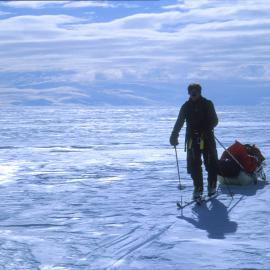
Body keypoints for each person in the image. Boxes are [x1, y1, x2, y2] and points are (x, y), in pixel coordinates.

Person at [170, 83, 219, 199]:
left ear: (199, 92)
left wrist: (206, 127)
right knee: (194, 165)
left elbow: (215, 120)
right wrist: (174, 135)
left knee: (211, 163)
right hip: (192, 139)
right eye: (191, 92)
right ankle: (198, 188)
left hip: (207, 138)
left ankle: (212, 186)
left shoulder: (208, 104)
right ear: (188, 93)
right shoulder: (186, 106)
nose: (193, 94)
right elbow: (179, 122)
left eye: (195, 92)